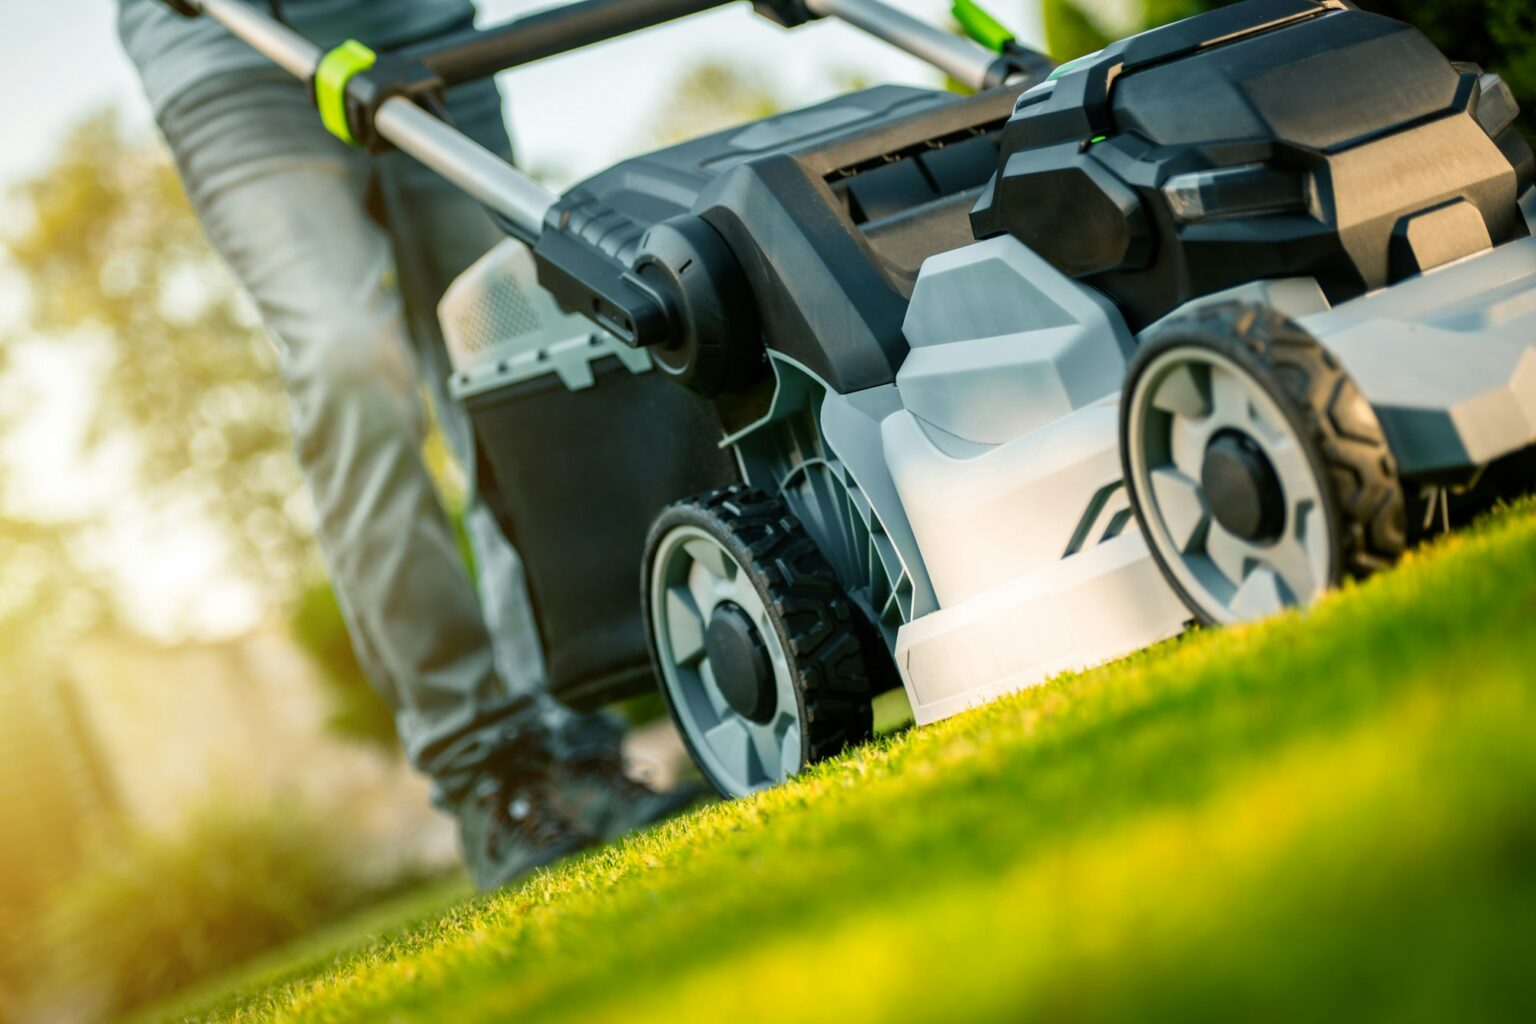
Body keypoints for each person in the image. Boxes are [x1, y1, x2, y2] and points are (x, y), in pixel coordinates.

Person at [116, 0, 699, 890]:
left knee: (508, 340)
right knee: (349, 357)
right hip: (230, 48)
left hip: (418, 29)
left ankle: (574, 739)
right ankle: (487, 770)